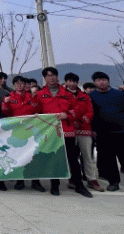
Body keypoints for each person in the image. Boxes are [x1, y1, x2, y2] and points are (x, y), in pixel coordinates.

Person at [34, 67, 92, 198]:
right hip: (50, 131)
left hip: (67, 130)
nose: (51, 78)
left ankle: (79, 185)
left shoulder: (67, 93)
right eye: (48, 75)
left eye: (53, 75)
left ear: (57, 76)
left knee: (72, 159)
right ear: (45, 78)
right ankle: (55, 185)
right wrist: (36, 114)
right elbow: (36, 110)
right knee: (53, 158)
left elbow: (78, 109)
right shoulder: (40, 94)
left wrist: (68, 115)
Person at [89, 71, 124, 196]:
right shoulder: (91, 96)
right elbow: (92, 114)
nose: (101, 82)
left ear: (108, 81)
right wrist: (93, 129)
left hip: (122, 131)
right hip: (103, 133)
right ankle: (114, 182)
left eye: (104, 79)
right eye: (98, 80)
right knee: (109, 160)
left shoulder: (120, 93)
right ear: (94, 82)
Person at [1, 75, 46, 192]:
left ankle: (36, 182)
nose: (19, 85)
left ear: (26, 85)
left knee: (34, 155)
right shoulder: (9, 96)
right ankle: (19, 180)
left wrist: (34, 97)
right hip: (17, 131)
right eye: (17, 83)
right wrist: (6, 104)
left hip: (32, 130)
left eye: (22, 83)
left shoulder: (31, 96)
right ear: (14, 85)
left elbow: (38, 110)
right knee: (18, 155)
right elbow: (5, 112)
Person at [64, 73, 104, 192]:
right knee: (71, 157)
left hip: (84, 129)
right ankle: (72, 179)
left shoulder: (84, 96)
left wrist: (80, 121)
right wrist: (72, 119)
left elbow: (90, 111)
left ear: (77, 83)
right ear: (66, 82)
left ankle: (91, 179)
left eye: (74, 81)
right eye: (69, 81)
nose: (72, 83)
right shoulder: (62, 95)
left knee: (88, 156)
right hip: (68, 129)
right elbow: (63, 110)